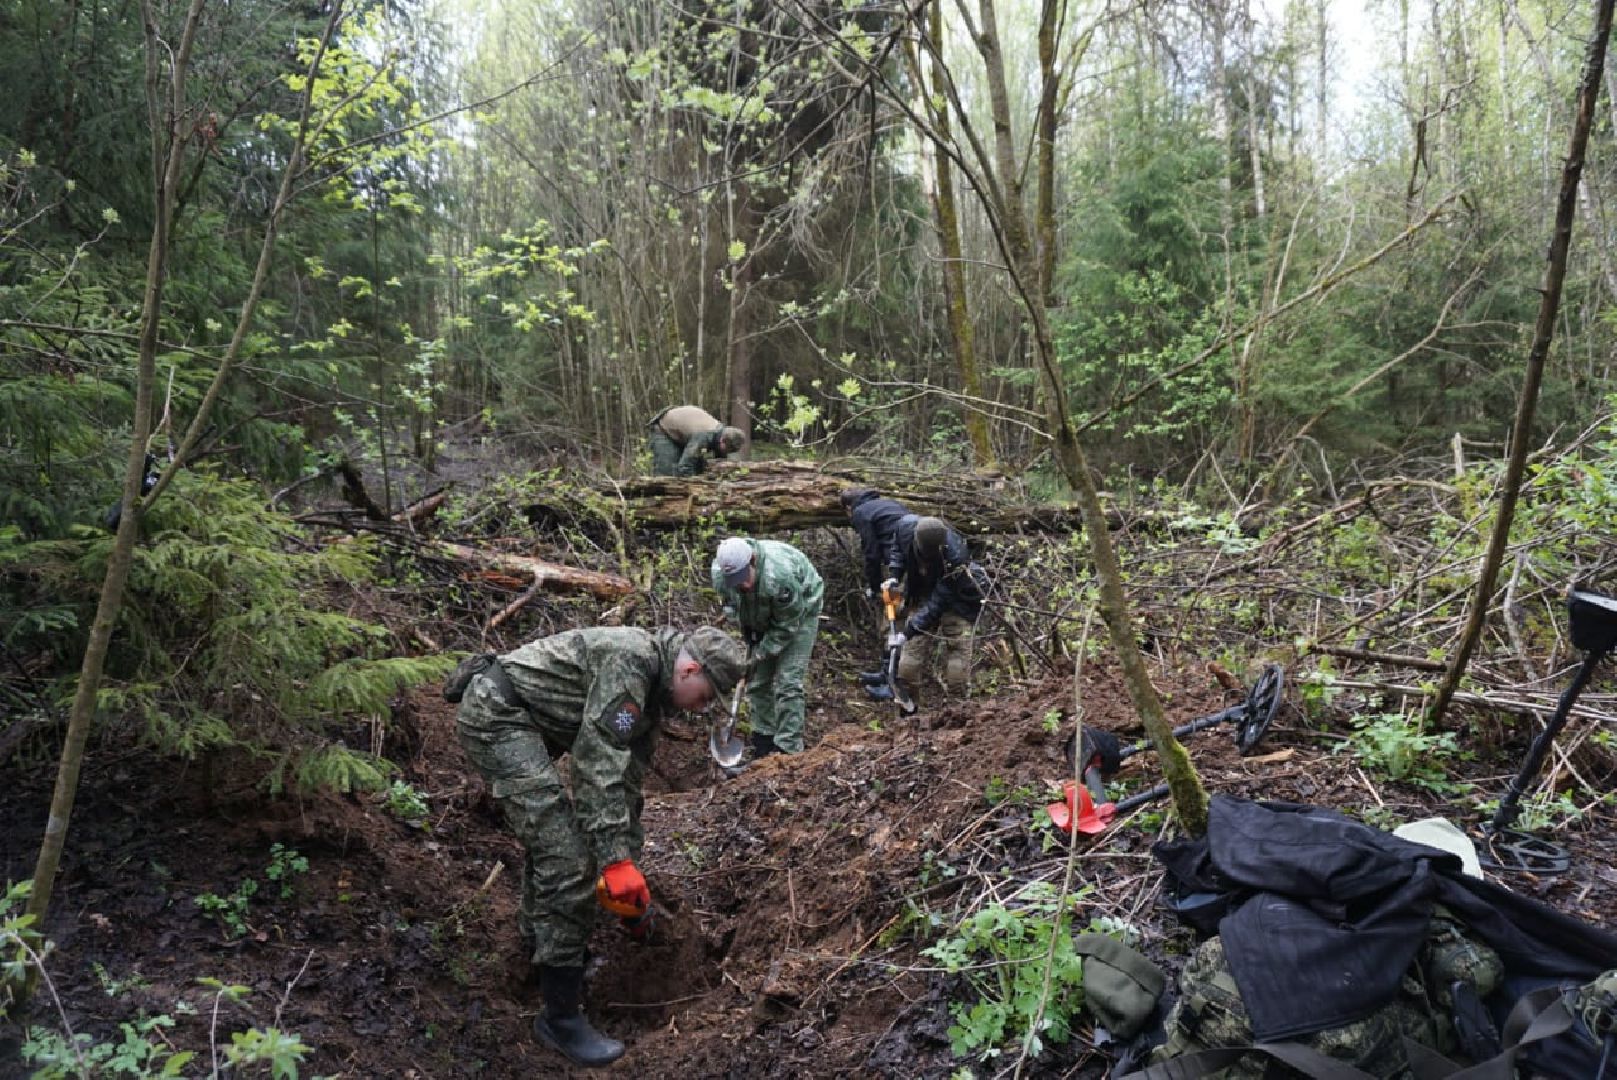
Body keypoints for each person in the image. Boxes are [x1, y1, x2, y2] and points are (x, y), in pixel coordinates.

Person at [453, 625, 745, 1067]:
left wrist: (628, 877)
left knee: (564, 848)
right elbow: (594, 764)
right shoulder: (630, 663)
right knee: (567, 860)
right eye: (705, 697)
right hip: (498, 716)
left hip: (529, 724)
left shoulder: (652, 697)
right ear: (689, 669)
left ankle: (543, 949)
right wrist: (614, 861)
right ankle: (560, 1019)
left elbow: (626, 787)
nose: (702, 710)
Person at [711, 536, 823, 757]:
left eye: (743, 578)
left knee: (788, 682)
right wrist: (749, 631)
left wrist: (761, 652)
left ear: (752, 560)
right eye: (735, 581)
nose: (741, 584)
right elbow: (731, 605)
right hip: (760, 612)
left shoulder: (779, 577)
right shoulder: (721, 576)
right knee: (756, 682)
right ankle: (764, 740)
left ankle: (789, 750)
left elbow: (787, 626)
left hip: (800, 613)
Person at [868, 515, 988, 705]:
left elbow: (938, 603)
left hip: (957, 600)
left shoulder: (956, 557)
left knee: (958, 650)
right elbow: (897, 549)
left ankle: (958, 709)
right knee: (911, 653)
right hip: (924, 592)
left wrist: (908, 631)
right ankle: (909, 707)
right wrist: (894, 575)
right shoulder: (905, 527)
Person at [646, 405, 746, 476]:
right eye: (727, 449)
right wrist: (695, 487)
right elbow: (685, 466)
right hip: (664, 430)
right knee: (667, 474)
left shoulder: (721, 432)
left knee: (699, 466)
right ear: (722, 441)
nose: (727, 452)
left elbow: (719, 460)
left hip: (683, 434)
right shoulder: (704, 435)